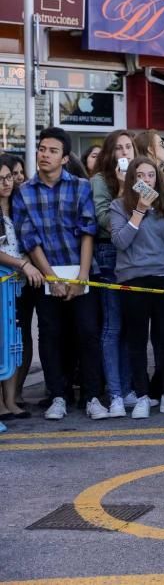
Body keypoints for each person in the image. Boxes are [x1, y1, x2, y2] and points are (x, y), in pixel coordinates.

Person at [11, 128, 106, 420]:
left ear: (65, 158)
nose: (44, 155)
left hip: (82, 272)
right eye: (41, 149)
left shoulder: (81, 186)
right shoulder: (24, 192)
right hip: (46, 275)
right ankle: (57, 396)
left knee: (89, 333)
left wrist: (83, 277)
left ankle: (92, 396)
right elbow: (29, 239)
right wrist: (51, 278)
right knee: (51, 335)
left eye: (52, 151)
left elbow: (88, 232)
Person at [109, 158, 164, 418]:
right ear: (132, 178)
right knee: (137, 340)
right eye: (141, 175)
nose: (146, 180)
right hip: (133, 278)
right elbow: (120, 241)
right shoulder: (119, 206)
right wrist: (139, 211)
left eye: (151, 175)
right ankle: (142, 395)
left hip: (163, 275)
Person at [91, 129, 137, 414]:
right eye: (118, 148)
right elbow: (105, 220)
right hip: (109, 253)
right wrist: (121, 190)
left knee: (131, 328)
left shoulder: (141, 179)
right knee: (112, 325)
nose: (124, 152)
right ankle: (115, 392)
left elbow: (152, 213)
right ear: (110, 154)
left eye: (128, 147)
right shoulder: (99, 181)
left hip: (136, 255)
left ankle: (128, 386)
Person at [0, 155, 44, 420]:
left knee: (17, 340)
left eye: (9, 177)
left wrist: (29, 263)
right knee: (2, 343)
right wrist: (22, 263)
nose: (7, 183)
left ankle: (12, 398)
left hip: (22, 286)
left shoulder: (18, 207)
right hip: (4, 283)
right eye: (1, 178)